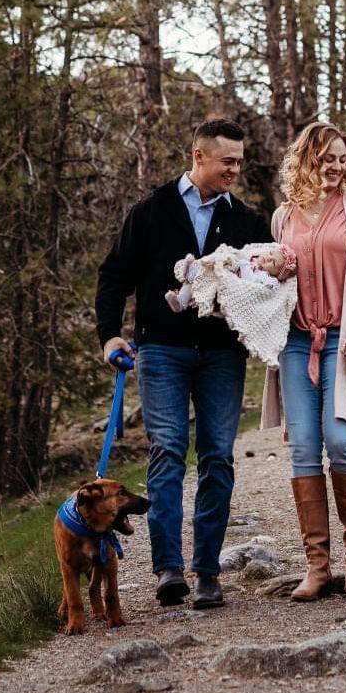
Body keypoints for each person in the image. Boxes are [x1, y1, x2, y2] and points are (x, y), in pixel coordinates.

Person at [94, 119, 272, 610]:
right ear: (198, 157)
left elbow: (265, 285)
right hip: (161, 351)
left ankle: (208, 572)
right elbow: (114, 276)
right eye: (227, 161)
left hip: (222, 356)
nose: (236, 169)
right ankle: (168, 568)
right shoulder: (152, 211)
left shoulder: (249, 222)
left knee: (217, 455)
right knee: (169, 449)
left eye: (239, 160)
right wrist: (110, 336)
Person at [258, 121, 346, 599]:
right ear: (306, 159)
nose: (336, 165)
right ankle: (318, 564)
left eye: (342, 157)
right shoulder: (282, 217)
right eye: (327, 157)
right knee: (304, 447)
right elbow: (276, 283)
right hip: (296, 341)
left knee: (341, 439)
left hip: (342, 339)